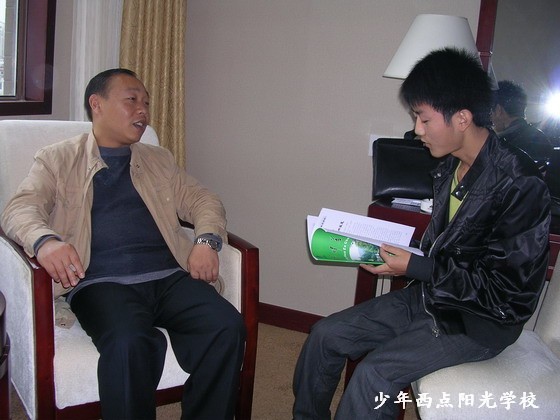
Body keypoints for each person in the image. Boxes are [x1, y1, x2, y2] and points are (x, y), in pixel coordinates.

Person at [292, 48, 551, 419]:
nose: (417, 130)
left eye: (424, 118)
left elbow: (505, 295)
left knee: (374, 375)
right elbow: (452, 246)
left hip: (478, 322)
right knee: (325, 336)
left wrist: (416, 267)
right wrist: (402, 256)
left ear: (462, 118)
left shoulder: (519, 184)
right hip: (432, 295)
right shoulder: (450, 166)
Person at [1, 68, 245, 419]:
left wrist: (206, 240)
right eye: (131, 100)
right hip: (101, 283)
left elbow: (203, 200)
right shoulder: (57, 159)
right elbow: (20, 209)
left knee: (227, 326)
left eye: (146, 102)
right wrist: (46, 241)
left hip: (169, 277)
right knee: (128, 342)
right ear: (96, 104)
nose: (142, 110)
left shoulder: (158, 159)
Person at [491, 79, 553, 165]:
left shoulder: (502, 146)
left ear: (498, 110)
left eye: (491, 111)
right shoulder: (541, 137)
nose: (491, 118)